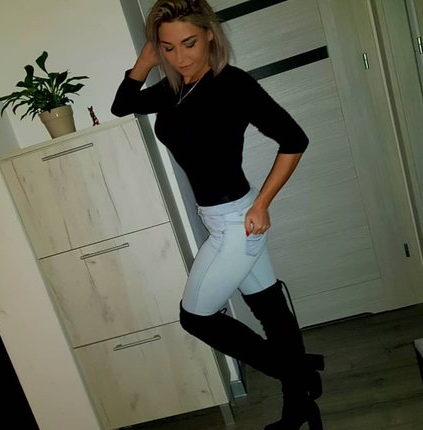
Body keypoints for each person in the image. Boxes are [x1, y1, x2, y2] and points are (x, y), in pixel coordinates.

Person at [111, 1, 324, 429]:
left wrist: (262, 204)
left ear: (210, 34)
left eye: (189, 43)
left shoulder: (233, 84)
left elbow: (294, 139)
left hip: (237, 221)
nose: (180, 57)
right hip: (220, 217)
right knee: (269, 308)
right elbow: (123, 105)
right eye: (168, 48)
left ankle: (297, 374)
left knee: (196, 318)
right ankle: (299, 399)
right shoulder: (175, 88)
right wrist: (144, 62)